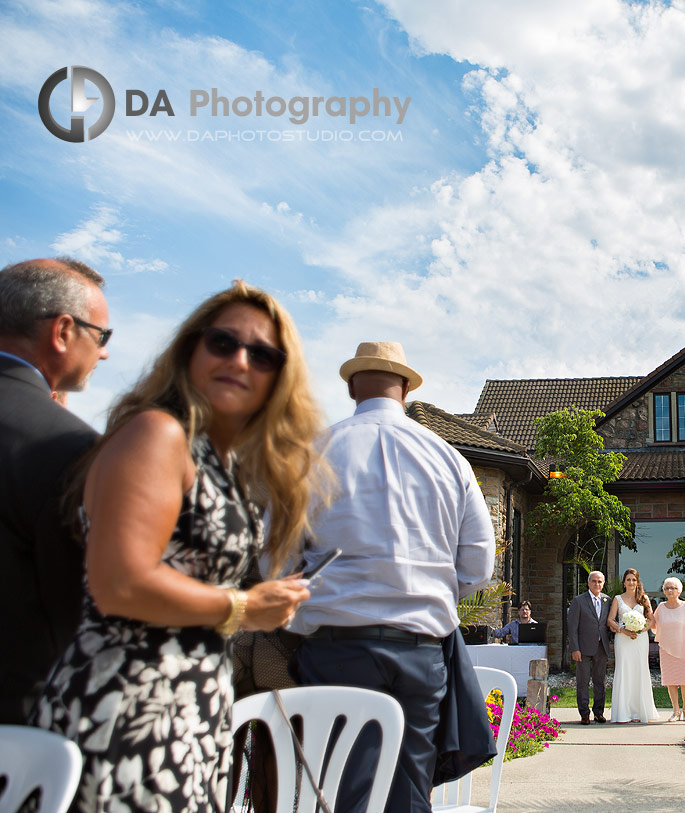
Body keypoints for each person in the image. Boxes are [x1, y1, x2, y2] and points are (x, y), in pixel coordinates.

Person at [34, 281, 325, 813]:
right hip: (130, 703)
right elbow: (119, 582)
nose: (240, 359)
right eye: (222, 342)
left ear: (280, 377)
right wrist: (243, 608)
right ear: (191, 348)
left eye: (262, 354)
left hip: (185, 706)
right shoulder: (158, 433)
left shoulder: (218, 457)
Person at [289, 341, 497, 812]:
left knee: (342, 791)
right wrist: (430, 595)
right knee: (407, 794)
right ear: (404, 388)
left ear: (350, 388)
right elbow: (479, 564)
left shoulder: (311, 454)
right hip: (419, 651)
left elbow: (275, 562)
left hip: (335, 648)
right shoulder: (449, 459)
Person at [0, 257, 109, 725]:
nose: (103, 354)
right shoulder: (68, 445)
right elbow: (83, 606)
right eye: (102, 336)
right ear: (63, 331)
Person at [607, 568, 659, 723]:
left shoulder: (644, 598)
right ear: (624, 582)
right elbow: (610, 620)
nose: (631, 582)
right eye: (628, 579)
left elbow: (652, 620)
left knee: (639, 671)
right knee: (624, 671)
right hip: (623, 639)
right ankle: (624, 713)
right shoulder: (617, 599)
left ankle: (639, 712)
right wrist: (623, 630)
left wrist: (642, 628)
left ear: (638, 582)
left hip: (640, 639)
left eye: (634, 580)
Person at [653, 576, 685, 722]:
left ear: (679, 591)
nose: (670, 590)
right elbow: (653, 624)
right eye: (667, 588)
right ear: (664, 591)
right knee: (670, 680)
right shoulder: (661, 607)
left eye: (673, 588)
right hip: (666, 649)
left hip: (684, 648)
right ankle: (675, 710)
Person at [568, 570, 612, 725]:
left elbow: (609, 623)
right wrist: (575, 648)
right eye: (594, 581)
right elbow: (572, 627)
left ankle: (599, 712)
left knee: (600, 681)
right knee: (583, 681)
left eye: (600, 581)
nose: (597, 584)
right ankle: (584, 713)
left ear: (603, 583)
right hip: (583, 648)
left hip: (601, 647)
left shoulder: (608, 600)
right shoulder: (578, 601)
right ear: (588, 583)